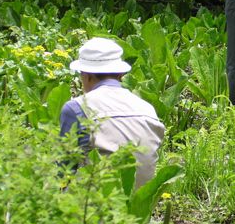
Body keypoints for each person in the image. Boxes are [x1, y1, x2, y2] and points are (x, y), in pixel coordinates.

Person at [59, 37, 165, 188]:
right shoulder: (147, 109)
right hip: (140, 206)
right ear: (121, 74)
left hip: (93, 205)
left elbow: (64, 169)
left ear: (86, 76)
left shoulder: (77, 108)